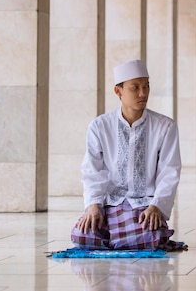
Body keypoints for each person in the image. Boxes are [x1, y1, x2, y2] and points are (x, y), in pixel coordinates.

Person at [70, 59, 185, 251]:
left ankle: (118, 240)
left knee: (150, 234)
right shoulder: (99, 126)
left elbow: (170, 171)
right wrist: (93, 205)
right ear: (118, 91)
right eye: (135, 88)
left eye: (146, 86)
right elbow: (92, 171)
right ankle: (120, 238)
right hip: (110, 205)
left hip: (144, 206)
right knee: (83, 235)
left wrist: (157, 206)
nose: (143, 93)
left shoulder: (165, 126)